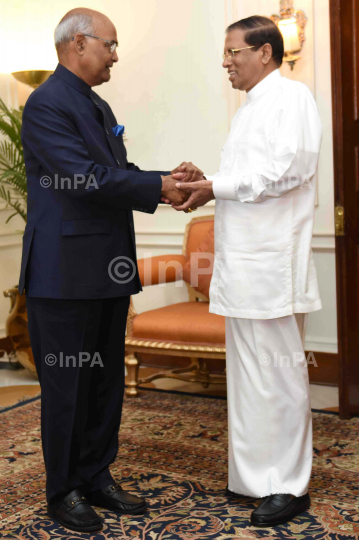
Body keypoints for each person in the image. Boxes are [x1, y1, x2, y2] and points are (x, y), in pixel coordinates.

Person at [19, 7, 201, 534]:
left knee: (103, 381)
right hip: (63, 272)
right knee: (67, 386)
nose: (116, 54)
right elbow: (84, 178)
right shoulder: (46, 103)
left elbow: (113, 174)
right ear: (78, 44)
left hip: (105, 269)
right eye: (111, 44)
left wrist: (167, 179)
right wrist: (159, 187)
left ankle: (97, 476)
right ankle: (64, 491)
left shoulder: (94, 103)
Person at [172, 16, 322, 527]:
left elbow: (287, 171)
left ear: (265, 52)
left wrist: (217, 186)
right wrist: (208, 181)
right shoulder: (247, 111)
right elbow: (243, 180)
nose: (226, 62)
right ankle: (254, 478)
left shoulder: (292, 98)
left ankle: (289, 486)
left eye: (234, 52)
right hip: (242, 264)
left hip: (273, 263)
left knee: (279, 376)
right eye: (225, 53)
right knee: (249, 374)